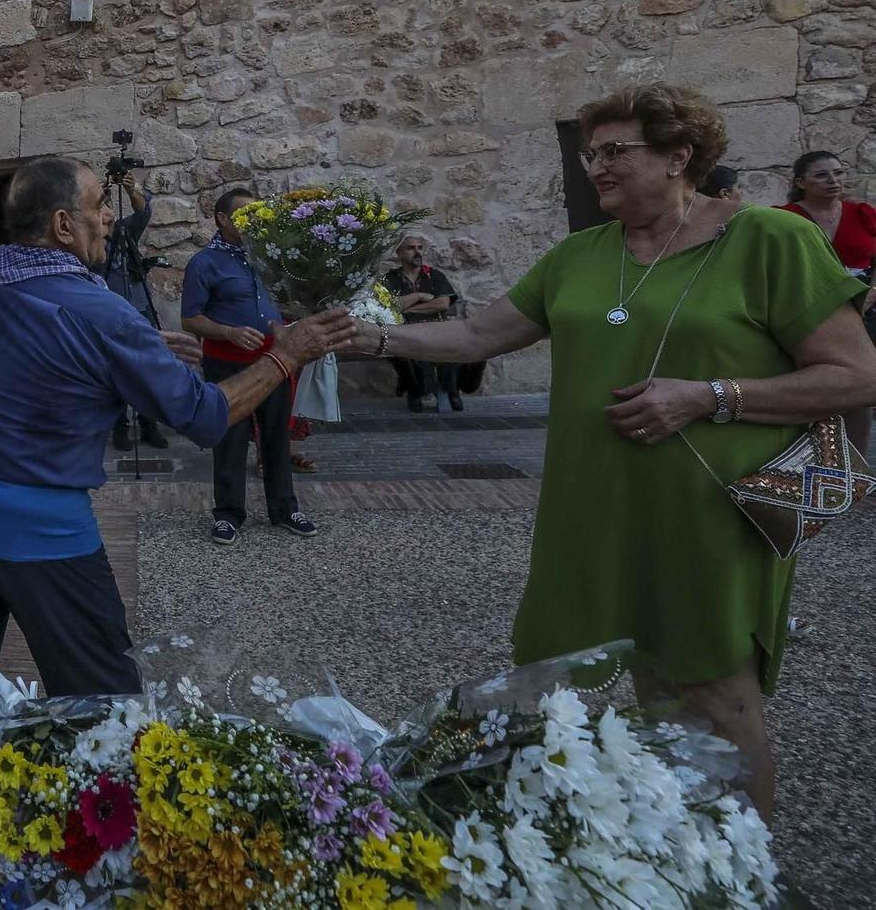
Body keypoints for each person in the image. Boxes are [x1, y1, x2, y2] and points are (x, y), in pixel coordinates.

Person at [348, 83, 876, 821]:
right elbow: (475, 337)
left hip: (713, 515)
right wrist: (364, 334)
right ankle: (676, 852)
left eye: (615, 150)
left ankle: (743, 875)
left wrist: (708, 395)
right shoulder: (578, 256)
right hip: (591, 509)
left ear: (678, 155)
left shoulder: (766, 239)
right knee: (639, 690)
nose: (595, 165)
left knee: (717, 700)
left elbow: (855, 374)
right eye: (589, 152)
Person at [0, 156, 353, 695]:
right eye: (98, 205)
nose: (106, 218)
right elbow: (204, 414)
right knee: (101, 699)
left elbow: (25, 358)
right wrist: (287, 355)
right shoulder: (103, 313)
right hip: (38, 526)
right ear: (62, 225)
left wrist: (136, 351)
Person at [180, 188, 319, 545]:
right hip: (227, 365)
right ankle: (228, 514)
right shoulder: (204, 263)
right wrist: (227, 330)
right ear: (223, 219)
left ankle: (285, 509)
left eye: (257, 213)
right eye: (245, 214)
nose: (253, 221)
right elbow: (190, 319)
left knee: (276, 435)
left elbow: (284, 303)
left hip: (275, 361)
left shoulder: (269, 258)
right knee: (230, 439)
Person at [775, 149, 876, 455]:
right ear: (801, 182)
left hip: (864, 306)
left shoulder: (862, 214)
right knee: (814, 383)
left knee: (860, 388)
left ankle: (857, 466)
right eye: (822, 175)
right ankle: (811, 460)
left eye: (839, 172)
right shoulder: (783, 218)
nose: (833, 180)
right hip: (809, 309)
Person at [100, 169, 168, 451]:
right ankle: (119, 426)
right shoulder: (90, 242)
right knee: (114, 370)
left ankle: (148, 423)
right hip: (110, 310)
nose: (107, 213)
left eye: (107, 206)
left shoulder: (126, 229)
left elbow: (143, 213)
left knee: (147, 366)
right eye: (101, 207)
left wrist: (130, 190)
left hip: (138, 305)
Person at [382, 235, 463, 413]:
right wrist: (419, 296)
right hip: (404, 330)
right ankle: (416, 391)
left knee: (453, 346)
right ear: (399, 253)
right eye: (411, 248)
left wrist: (408, 308)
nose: (417, 252)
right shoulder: (391, 278)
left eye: (420, 247)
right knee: (406, 352)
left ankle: (449, 390)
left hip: (436, 327)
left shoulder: (434, 275)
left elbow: (442, 303)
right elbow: (391, 305)